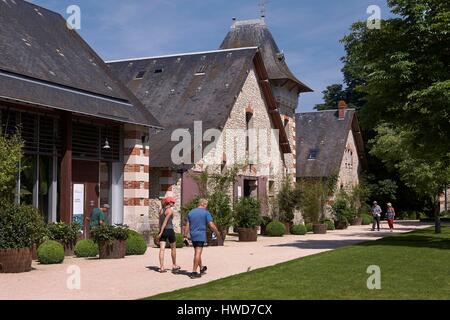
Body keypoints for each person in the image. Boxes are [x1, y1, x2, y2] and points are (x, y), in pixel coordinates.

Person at [183, 198, 221, 279]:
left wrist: (185, 236)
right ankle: (194, 272)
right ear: (204, 204)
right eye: (206, 205)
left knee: (197, 252)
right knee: (198, 253)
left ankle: (201, 268)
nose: (206, 207)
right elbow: (211, 224)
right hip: (200, 234)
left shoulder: (191, 212)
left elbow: (187, 226)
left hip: (193, 235)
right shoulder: (206, 213)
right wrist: (217, 232)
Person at [157, 197, 180, 273]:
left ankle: (161, 267)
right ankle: (174, 265)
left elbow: (160, 223)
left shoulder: (161, 211)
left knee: (162, 249)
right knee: (173, 248)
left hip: (163, 231)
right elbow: (165, 222)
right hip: (169, 230)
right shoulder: (170, 211)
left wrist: (160, 231)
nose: (174, 203)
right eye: (173, 202)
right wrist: (161, 232)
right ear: (169, 203)